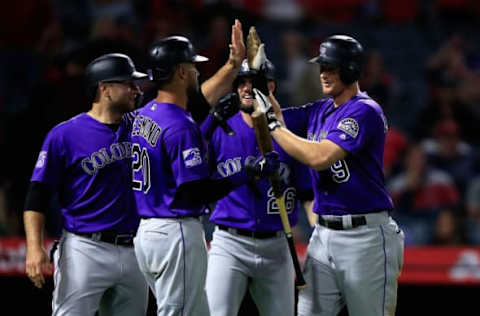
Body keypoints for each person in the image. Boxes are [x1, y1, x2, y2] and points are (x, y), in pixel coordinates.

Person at [131, 21, 280, 316]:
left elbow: (181, 127)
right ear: (182, 72)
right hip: (176, 232)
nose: (199, 72)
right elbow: (197, 191)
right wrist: (246, 173)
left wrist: (211, 118)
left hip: (146, 233)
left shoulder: (143, 114)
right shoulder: (180, 125)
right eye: (194, 67)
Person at [260, 35, 405, 316]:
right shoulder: (321, 109)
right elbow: (268, 118)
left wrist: (273, 124)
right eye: (322, 67)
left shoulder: (364, 111)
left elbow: (319, 156)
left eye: (331, 67)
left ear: (350, 69)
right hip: (324, 234)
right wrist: (257, 86)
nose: (323, 73)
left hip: (365, 238)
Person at [24, 53, 149, 316]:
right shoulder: (65, 134)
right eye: (128, 83)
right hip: (85, 248)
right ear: (104, 89)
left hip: (135, 249)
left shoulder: (142, 127)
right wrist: (34, 248)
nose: (136, 89)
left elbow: (180, 109)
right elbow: (38, 194)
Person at [202, 59, 313, 316]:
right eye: (241, 82)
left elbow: (307, 194)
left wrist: (318, 236)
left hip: (277, 245)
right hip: (229, 242)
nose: (246, 88)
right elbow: (194, 172)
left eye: (254, 83)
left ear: (271, 87)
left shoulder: (288, 134)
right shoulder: (221, 129)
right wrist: (210, 121)